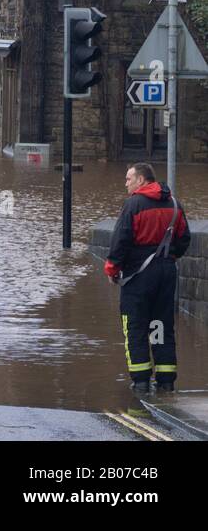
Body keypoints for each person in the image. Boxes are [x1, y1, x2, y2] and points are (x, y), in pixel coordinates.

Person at [104, 163, 189, 394]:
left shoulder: (133, 204)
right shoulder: (174, 203)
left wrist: (112, 270)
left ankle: (141, 381)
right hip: (166, 272)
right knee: (161, 324)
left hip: (138, 275)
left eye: (129, 178)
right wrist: (168, 257)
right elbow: (184, 240)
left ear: (141, 180)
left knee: (135, 326)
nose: (126, 183)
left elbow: (120, 240)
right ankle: (166, 379)